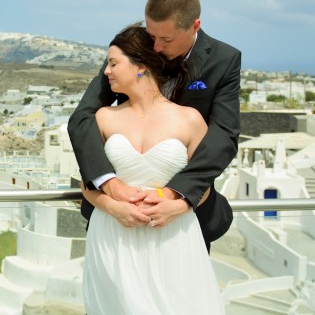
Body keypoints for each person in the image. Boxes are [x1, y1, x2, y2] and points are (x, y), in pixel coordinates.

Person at [68, 0, 241, 250]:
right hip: (116, 218)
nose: (156, 46)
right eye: (152, 35)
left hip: (184, 217)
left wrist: (177, 196)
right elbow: (83, 118)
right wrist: (109, 186)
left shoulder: (224, 59)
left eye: (166, 39)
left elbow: (224, 136)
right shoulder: (134, 47)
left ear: (194, 26)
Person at [81, 22, 225, 314]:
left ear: (141, 66)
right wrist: (114, 208)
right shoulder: (103, 119)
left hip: (173, 237)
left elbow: (203, 185)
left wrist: (177, 206)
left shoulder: (190, 120)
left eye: (112, 63)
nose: (106, 72)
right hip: (113, 237)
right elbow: (88, 187)